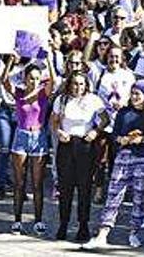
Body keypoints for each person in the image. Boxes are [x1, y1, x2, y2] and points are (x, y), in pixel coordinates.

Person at [84, 80, 144, 250]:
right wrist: (120, 139)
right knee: (113, 193)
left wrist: (142, 139)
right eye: (132, 93)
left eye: (138, 94)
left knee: (139, 197)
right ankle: (102, 233)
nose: (134, 97)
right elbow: (115, 135)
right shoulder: (124, 113)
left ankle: (134, 232)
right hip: (123, 156)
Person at [51, 69, 109, 243]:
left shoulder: (93, 100)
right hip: (67, 144)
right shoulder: (62, 100)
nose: (78, 87)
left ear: (86, 85)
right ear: (70, 84)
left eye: (81, 84)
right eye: (75, 84)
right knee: (65, 187)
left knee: (84, 188)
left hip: (85, 144)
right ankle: (63, 223)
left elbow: (105, 119)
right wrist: (59, 132)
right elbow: (53, 121)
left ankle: (83, 225)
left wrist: (96, 131)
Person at [0, 58, 55, 235]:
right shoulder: (19, 93)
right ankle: (17, 220)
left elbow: (53, 81)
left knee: (37, 183)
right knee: (19, 183)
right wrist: (11, 60)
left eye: (37, 78)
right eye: (31, 77)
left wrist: (49, 58)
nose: (34, 81)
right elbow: (4, 80)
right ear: (25, 78)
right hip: (21, 136)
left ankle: (38, 220)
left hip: (39, 138)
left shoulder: (43, 94)